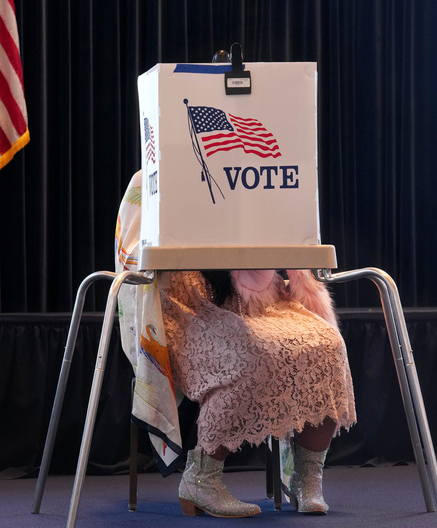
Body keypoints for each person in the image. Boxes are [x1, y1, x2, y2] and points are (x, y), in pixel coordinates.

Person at [115, 171, 356, 517]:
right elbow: (134, 250)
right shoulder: (153, 173)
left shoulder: (252, 168)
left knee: (326, 343)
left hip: (259, 302)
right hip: (185, 302)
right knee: (250, 354)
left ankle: (305, 477)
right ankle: (201, 477)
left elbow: (287, 227)